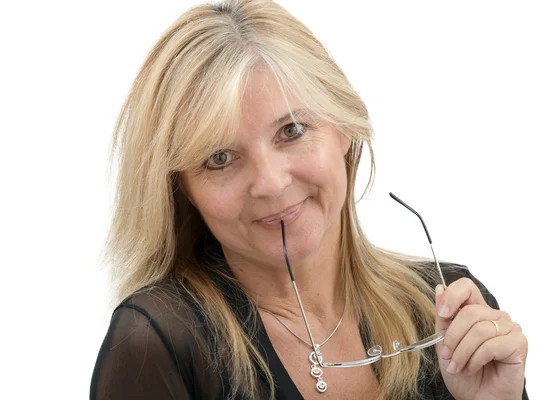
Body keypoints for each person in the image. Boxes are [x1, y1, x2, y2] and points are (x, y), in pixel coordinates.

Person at [90, 0, 529, 399]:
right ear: (180, 188)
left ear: (344, 127)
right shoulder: (157, 344)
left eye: (292, 131)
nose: (271, 183)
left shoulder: (450, 311)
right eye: (220, 158)